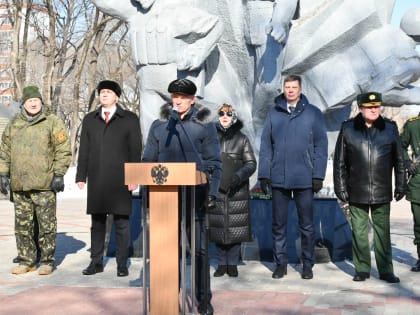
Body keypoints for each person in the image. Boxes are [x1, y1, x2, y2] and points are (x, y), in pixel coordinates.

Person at [142, 78, 222, 315]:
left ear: (192, 100)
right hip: (164, 199)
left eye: (183, 98)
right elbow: (148, 161)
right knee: (167, 250)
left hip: (195, 196)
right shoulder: (159, 126)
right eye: (175, 97)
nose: (178, 101)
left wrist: (213, 192)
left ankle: (203, 299)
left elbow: (214, 162)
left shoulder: (204, 126)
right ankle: (168, 297)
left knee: (199, 250)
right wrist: (146, 193)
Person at [258, 74, 328, 280]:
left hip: (304, 178)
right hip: (279, 177)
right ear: (283, 88)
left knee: (306, 225)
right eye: (287, 87)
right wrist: (264, 175)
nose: (290, 90)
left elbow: (321, 146)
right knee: (278, 225)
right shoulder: (273, 114)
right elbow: (265, 147)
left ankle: (307, 264)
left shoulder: (313, 113)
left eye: (293, 87)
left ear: (300, 89)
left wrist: (318, 175)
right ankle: (281, 263)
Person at [333, 92, 406, 283]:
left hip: (382, 190)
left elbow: (399, 159)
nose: (374, 109)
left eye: (377, 106)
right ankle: (362, 268)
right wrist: (340, 187)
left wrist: (400, 183)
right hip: (357, 189)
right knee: (359, 231)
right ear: (360, 108)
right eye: (369, 106)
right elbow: (339, 161)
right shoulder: (348, 129)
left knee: (383, 232)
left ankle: (386, 270)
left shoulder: (389, 129)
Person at [0, 85, 72, 275]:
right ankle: (26, 260)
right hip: (20, 185)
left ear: (41, 102)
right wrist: (3, 174)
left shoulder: (52, 122)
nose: (33, 103)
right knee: (22, 226)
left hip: (44, 185)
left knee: (47, 225)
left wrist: (58, 174)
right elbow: (4, 151)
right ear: (23, 103)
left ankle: (47, 261)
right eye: (30, 100)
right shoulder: (14, 123)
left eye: (36, 100)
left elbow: (63, 149)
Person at [76, 80, 142, 277]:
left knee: (121, 223)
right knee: (97, 223)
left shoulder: (129, 119)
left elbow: (135, 149)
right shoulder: (90, 119)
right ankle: (95, 262)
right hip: (97, 178)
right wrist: (81, 175)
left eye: (108, 92)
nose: (104, 95)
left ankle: (122, 264)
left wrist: (134, 176)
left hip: (121, 179)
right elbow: (84, 150)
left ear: (117, 96)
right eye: (101, 92)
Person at [209, 103, 256, 278]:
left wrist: (238, 177)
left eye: (228, 114)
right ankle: (222, 263)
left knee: (236, 228)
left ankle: (233, 263)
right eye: (221, 113)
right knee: (218, 227)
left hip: (237, 190)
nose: (225, 116)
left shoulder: (242, 139)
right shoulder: (211, 138)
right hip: (217, 189)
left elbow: (251, 163)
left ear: (233, 116)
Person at [400, 112, 420, 272]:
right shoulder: (413, 125)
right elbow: (400, 145)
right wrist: (407, 161)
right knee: (419, 224)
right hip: (418, 183)